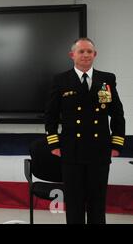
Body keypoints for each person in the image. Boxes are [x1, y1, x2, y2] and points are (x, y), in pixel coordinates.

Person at [44, 37, 125, 224]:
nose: (86, 55)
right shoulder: (61, 80)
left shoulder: (107, 79)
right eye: (81, 51)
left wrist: (117, 144)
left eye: (89, 51)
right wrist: (54, 144)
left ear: (95, 55)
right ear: (72, 55)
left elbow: (118, 115)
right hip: (72, 150)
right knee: (74, 202)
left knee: (98, 201)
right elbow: (51, 116)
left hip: (100, 149)